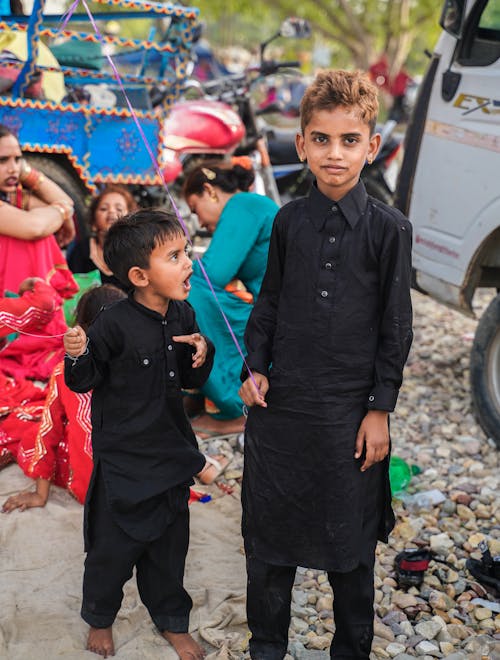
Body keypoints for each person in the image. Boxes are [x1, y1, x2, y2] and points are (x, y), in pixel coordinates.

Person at [238, 69, 413, 659]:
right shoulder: (286, 221)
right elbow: (268, 304)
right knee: (268, 544)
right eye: (321, 139)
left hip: (347, 413)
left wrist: (379, 410)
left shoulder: (390, 230)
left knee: (350, 546)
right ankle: (267, 646)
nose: (334, 153)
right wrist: (254, 368)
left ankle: (352, 648)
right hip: (282, 410)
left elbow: (395, 327)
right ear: (303, 142)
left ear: (370, 145)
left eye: (348, 140)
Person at [63, 208, 214, 659]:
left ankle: (171, 619)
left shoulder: (183, 314)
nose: (188, 262)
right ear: (139, 276)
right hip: (125, 460)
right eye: (174, 256)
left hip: (170, 454)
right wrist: (76, 352)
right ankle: (101, 617)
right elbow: (82, 380)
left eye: (185, 252)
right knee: (111, 552)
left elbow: (192, 382)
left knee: (170, 551)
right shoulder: (112, 322)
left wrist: (202, 351)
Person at [1, 284, 127, 512]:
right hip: (146, 486)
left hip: (90, 490)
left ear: (80, 329)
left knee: (32, 436)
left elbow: (49, 431)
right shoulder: (148, 366)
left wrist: (40, 495)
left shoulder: (64, 373)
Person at [183, 159, 279, 435]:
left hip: (281, 319)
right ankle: (203, 392)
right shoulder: (251, 206)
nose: (199, 221)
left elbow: (213, 275)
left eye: (195, 209)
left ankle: (237, 407)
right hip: (276, 313)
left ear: (209, 190)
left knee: (189, 296)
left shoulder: (243, 205)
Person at [0, 124, 76, 297]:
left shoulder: (10, 197)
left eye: (17, 159)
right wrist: (64, 213)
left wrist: (25, 172)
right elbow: (35, 227)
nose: (13, 168)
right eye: (3, 160)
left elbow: (64, 201)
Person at [67, 184, 137, 290]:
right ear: (93, 221)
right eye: (104, 209)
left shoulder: (137, 253)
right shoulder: (82, 251)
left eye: (119, 209)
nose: (112, 212)